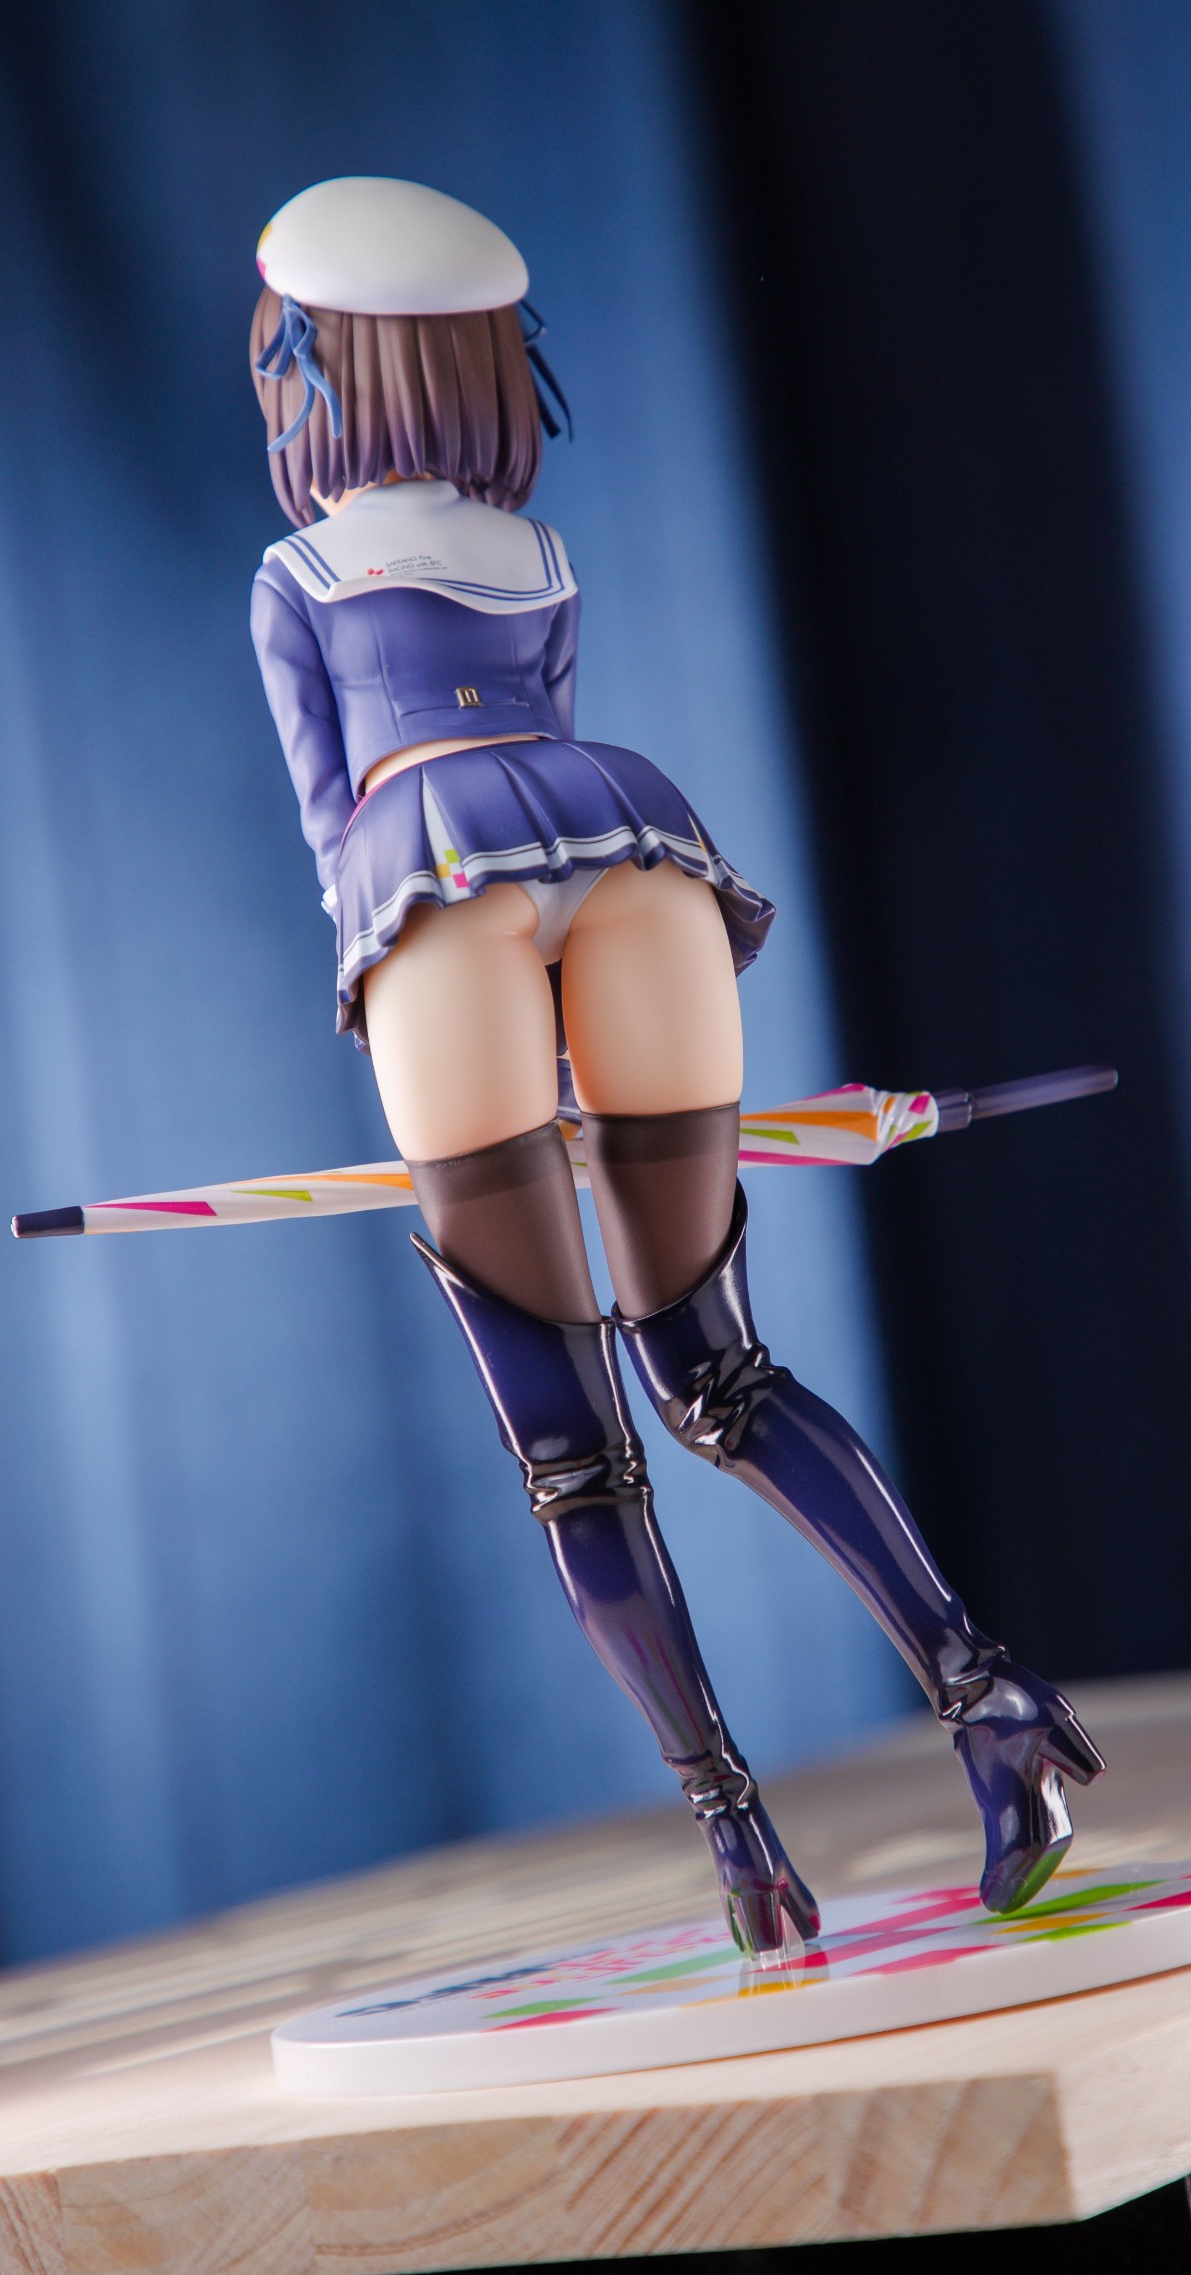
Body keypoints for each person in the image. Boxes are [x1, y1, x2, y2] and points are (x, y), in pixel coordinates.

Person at [250, 177, 1103, 1958]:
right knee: (719, 1375)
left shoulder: (302, 577)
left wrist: (462, 1064)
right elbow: (540, 743)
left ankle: (745, 1851)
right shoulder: (542, 557)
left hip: (432, 878)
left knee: (579, 1456)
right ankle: (990, 1693)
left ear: (322, 368)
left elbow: (339, 842)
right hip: (638, 852)